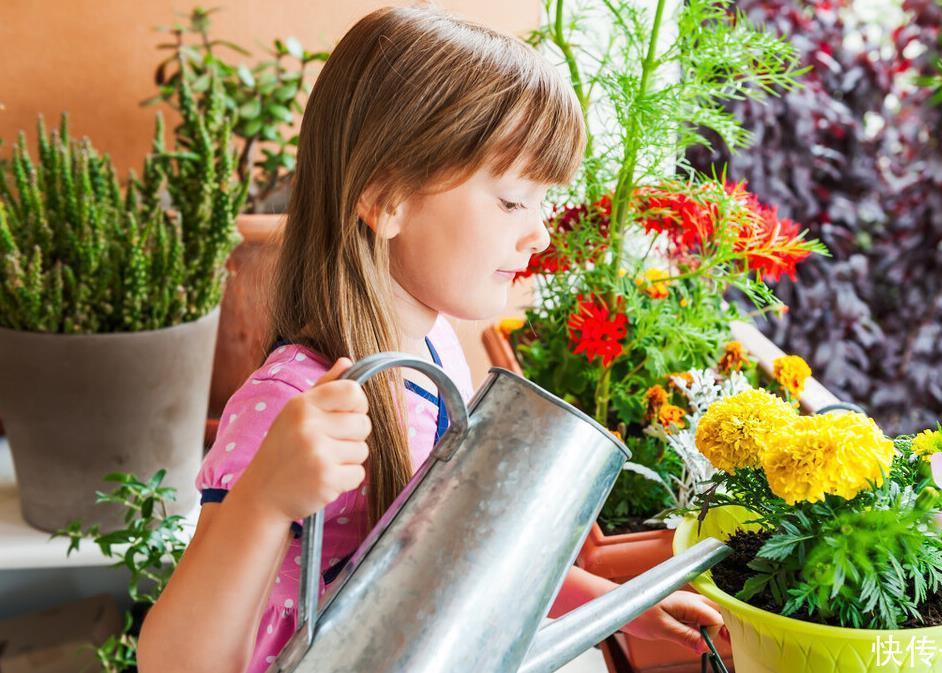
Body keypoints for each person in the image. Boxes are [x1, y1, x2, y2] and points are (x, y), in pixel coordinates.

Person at [137, 7, 725, 673]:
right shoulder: (295, 402)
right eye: (511, 201)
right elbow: (174, 662)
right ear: (386, 197)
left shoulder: (437, 350)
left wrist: (615, 604)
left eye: (541, 203)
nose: (537, 233)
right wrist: (264, 497)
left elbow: (459, 552)